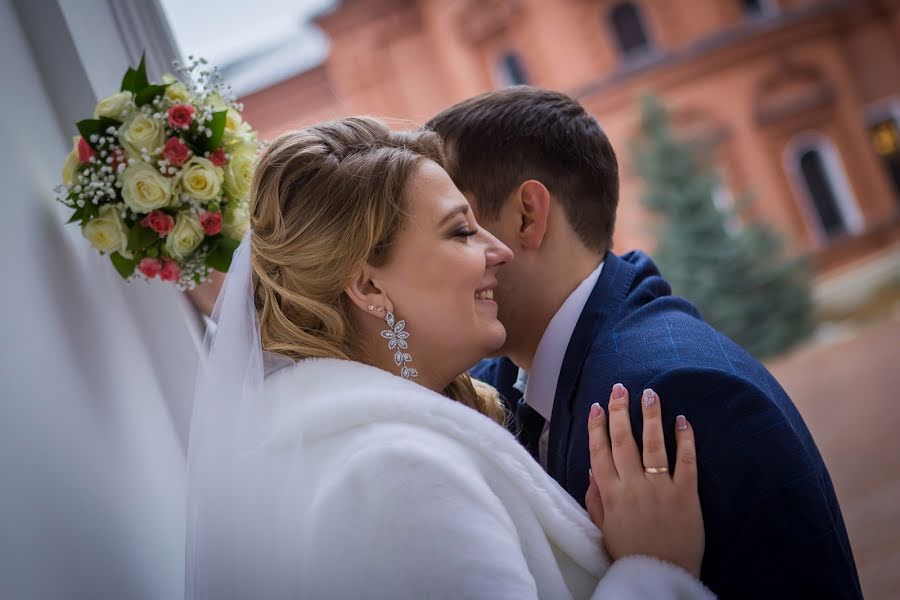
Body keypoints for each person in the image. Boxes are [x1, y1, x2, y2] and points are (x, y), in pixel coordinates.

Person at [186, 117, 714, 598]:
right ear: (369, 284)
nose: (499, 251)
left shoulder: (340, 446)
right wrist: (657, 569)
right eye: (461, 231)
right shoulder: (399, 475)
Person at [425, 87, 863, 599]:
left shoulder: (676, 396)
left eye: (457, 228)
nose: (435, 262)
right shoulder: (492, 384)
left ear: (527, 215)